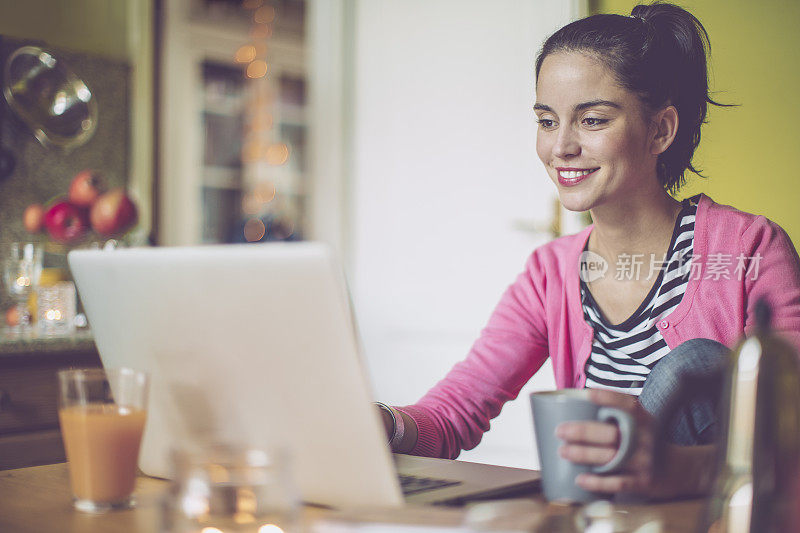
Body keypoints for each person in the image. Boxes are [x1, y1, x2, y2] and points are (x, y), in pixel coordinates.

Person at [375, 1, 800, 500]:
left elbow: (790, 439)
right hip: (601, 518)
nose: (561, 148)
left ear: (661, 129)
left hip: (713, 517)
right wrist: (383, 425)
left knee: (694, 365)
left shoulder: (749, 249)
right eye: (547, 121)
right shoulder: (550, 273)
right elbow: (453, 414)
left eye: (592, 120)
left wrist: (675, 469)